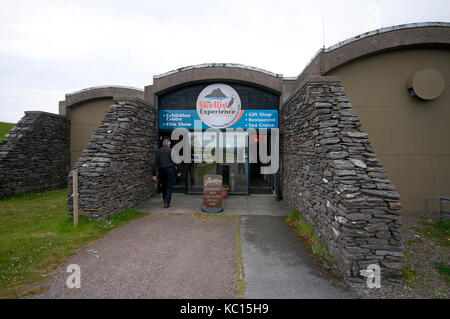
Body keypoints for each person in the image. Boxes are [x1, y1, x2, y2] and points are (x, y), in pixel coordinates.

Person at [152, 138, 181, 208]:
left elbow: (155, 163)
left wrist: (154, 174)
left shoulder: (159, 151)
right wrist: (178, 171)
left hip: (161, 171)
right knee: (169, 186)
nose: (169, 145)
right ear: (168, 144)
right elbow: (176, 162)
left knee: (163, 186)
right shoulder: (171, 151)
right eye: (169, 144)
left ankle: (165, 199)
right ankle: (166, 202)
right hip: (170, 170)